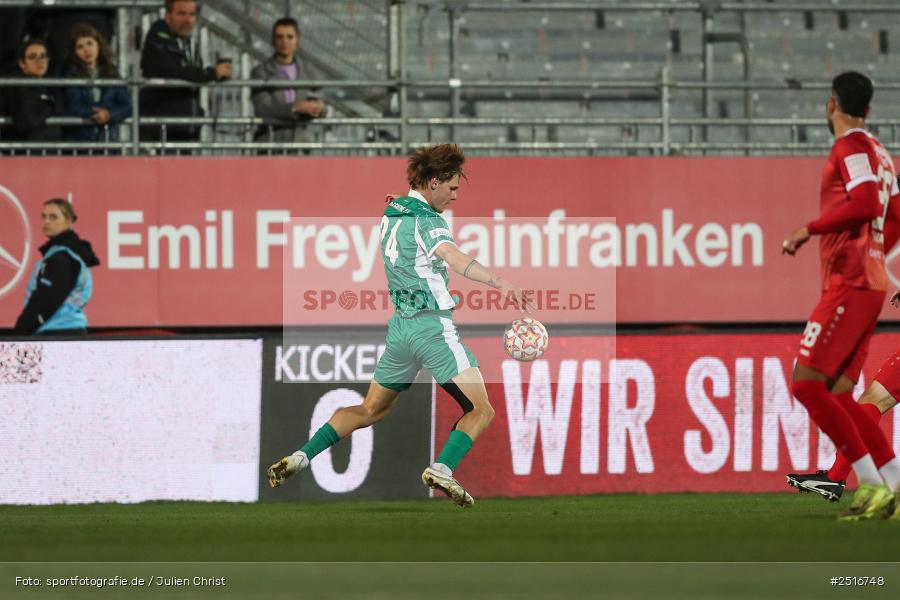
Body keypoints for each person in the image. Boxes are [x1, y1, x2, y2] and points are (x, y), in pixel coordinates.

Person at [267, 144, 532, 507]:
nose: (455, 195)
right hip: (432, 329)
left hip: (401, 331)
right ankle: (442, 468)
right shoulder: (429, 221)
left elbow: (405, 204)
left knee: (370, 409)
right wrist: (499, 281)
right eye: (452, 187)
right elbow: (453, 257)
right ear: (434, 182)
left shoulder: (393, 209)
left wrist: (405, 201)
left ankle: (302, 456)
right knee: (481, 409)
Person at [781, 71, 900, 520]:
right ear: (867, 109)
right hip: (867, 280)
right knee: (849, 395)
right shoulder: (882, 155)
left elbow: (869, 203)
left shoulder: (852, 148)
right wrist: (876, 254)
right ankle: (880, 485)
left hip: (852, 283)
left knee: (809, 384)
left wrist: (808, 230)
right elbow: (894, 215)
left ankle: (868, 484)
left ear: (832, 104)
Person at [139, 0, 232, 143]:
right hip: (161, 129)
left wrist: (215, 74)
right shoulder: (158, 36)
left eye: (191, 14)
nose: (187, 20)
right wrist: (211, 74)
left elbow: (188, 73)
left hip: (184, 126)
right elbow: (174, 71)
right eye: (181, 14)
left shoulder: (187, 42)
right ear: (168, 16)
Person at [14, 198, 100, 335]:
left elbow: (46, 301)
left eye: (53, 217)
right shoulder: (69, 253)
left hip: (57, 333)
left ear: (70, 221)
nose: (47, 221)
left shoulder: (62, 258)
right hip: (64, 331)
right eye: (44, 217)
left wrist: (19, 334)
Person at [250, 17, 325, 144]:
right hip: (270, 143)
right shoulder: (260, 72)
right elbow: (263, 109)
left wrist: (318, 108)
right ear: (273, 41)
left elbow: (323, 106)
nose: (284, 41)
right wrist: (296, 107)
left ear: (297, 41)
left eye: (289, 37)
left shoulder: (310, 72)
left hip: (302, 146)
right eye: (280, 37)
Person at [63, 23, 131, 142]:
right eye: (80, 47)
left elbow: (126, 106)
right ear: (74, 52)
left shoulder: (113, 73)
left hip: (109, 140)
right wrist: (99, 113)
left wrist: (109, 115)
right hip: (81, 141)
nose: (86, 50)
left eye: (90, 43)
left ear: (98, 45)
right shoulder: (71, 75)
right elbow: (74, 106)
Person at [4, 38, 63, 142]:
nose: (39, 61)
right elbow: (27, 122)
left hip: (52, 151)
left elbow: (61, 110)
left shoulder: (52, 87)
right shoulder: (17, 86)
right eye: (32, 57)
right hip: (24, 152)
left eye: (43, 56)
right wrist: (50, 108)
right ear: (22, 63)